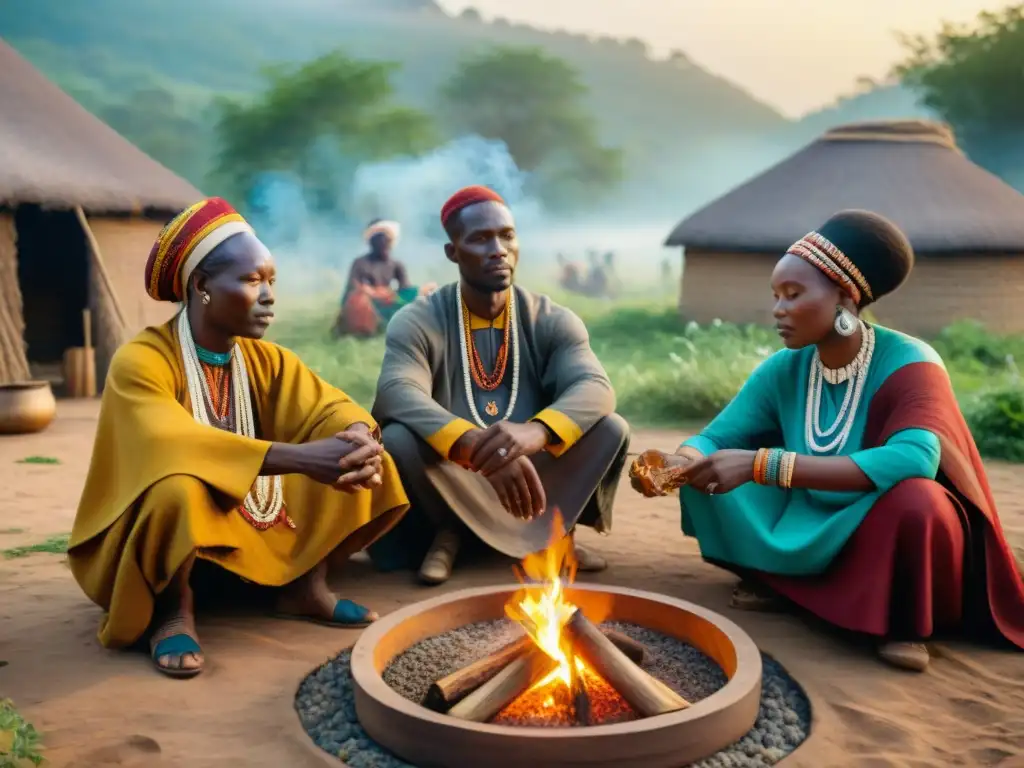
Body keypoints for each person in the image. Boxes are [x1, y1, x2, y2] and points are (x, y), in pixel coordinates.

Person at [630, 210, 1024, 672]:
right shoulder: (787, 367)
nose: (778, 309)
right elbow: (719, 434)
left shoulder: (911, 360)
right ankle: (777, 581)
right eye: (775, 295)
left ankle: (902, 620)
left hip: (875, 520)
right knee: (712, 473)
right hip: (805, 511)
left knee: (918, 501)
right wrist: (679, 463)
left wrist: (763, 465)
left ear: (844, 296)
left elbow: (914, 458)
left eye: (793, 294)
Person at [68, 198, 409, 679]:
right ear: (202, 286)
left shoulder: (263, 359)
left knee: (368, 461)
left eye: (271, 281)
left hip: (253, 511)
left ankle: (303, 586)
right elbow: (170, 442)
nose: (269, 295)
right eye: (252, 281)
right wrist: (303, 458)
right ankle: (173, 607)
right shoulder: (141, 359)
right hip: (169, 524)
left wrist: (354, 434)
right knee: (176, 489)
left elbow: (327, 405)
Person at [369, 185, 630, 585]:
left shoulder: (552, 318)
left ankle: (559, 532)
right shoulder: (417, 319)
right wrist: (474, 446)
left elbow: (595, 386)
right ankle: (449, 533)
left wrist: (536, 432)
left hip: (534, 468)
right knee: (399, 437)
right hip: (454, 470)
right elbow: (396, 391)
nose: (498, 249)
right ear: (453, 252)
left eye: (507, 235)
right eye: (479, 239)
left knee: (611, 426)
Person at [332, 219, 426, 337]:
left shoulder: (396, 264)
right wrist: (374, 293)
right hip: (369, 303)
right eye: (379, 240)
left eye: (386, 239)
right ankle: (368, 328)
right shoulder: (360, 263)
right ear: (371, 243)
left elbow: (406, 290)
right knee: (359, 300)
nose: (383, 243)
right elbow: (352, 289)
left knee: (425, 293)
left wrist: (398, 295)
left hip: (388, 302)